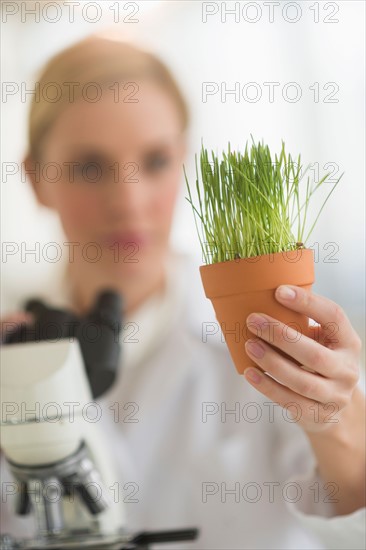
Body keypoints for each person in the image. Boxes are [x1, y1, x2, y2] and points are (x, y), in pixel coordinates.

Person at [1, 36, 365, 550]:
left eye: (154, 161)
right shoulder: (10, 348)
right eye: (89, 167)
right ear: (36, 179)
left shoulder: (268, 331)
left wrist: (338, 417)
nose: (128, 200)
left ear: (184, 162)